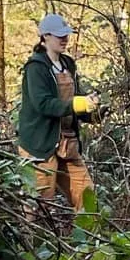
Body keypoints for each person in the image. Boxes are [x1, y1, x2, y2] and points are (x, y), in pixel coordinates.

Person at [15, 13, 98, 213]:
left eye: (66, 35)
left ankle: (91, 242)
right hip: (40, 146)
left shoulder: (68, 64)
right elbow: (43, 104)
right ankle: (34, 242)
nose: (64, 39)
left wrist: (93, 111)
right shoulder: (35, 68)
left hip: (67, 145)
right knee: (39, 207)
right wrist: (78, 104)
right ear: (45, 37)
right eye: (59, 35)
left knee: (88, 201)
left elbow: (74, 99)